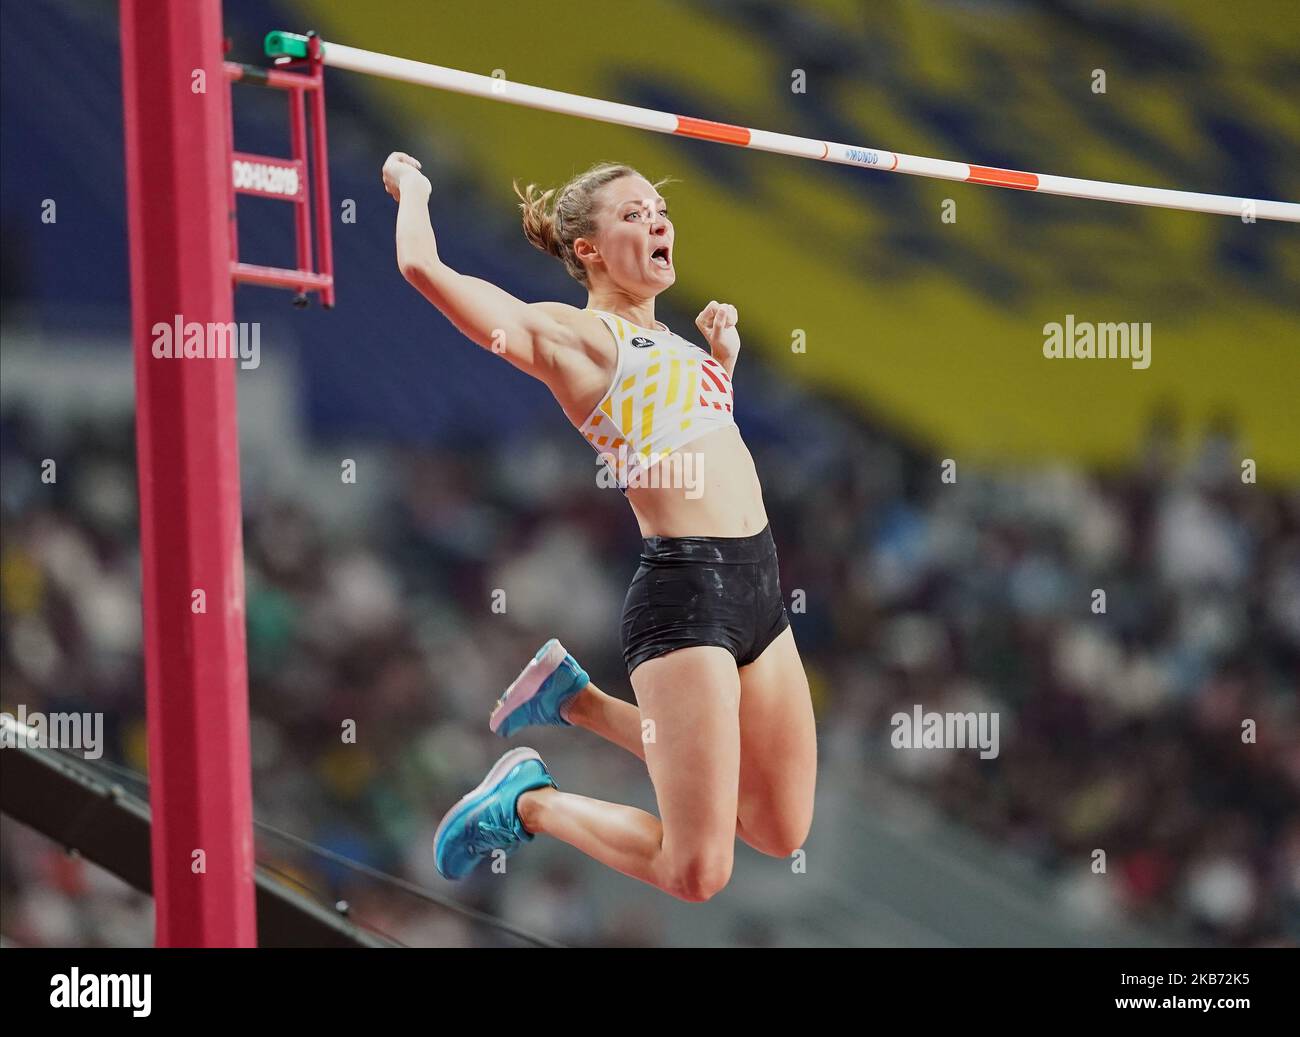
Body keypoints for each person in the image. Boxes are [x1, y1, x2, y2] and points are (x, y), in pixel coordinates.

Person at [384, 154, 816, 901]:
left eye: (660, 208)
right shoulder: (576, 340)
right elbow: (424, 269)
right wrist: (415, 188)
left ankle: (575, 700)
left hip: (760, 586)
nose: (657, 219)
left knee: (779, 829)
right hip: (687, 601)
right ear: (587, 250)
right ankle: (529, 802)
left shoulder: (683, 348)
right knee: (698, 869)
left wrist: (723, 361)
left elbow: (691, 438)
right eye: (633, 212)